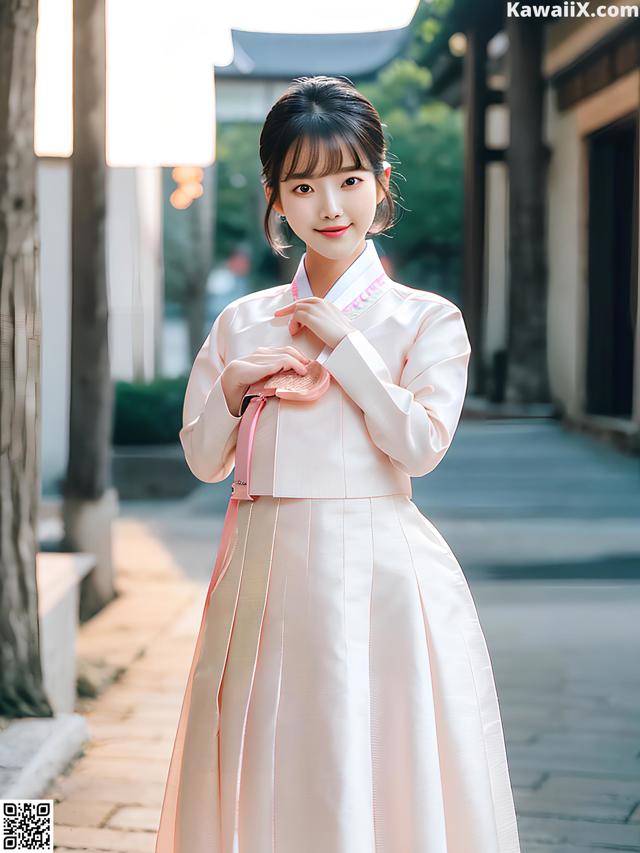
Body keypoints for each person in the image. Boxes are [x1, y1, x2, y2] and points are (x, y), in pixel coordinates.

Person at [155, 75, 522, 853]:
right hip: (261, 573)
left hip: (377, 571)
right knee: (267, 758)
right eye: (304, 185)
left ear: (381, 183)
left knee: (372, 757)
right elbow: (202, 458)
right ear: (275, 196)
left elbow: (421, 444)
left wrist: (346, 349)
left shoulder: (426, 318)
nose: (331, 207)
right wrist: (231, 383)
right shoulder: (244, 320)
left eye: (350, 180)